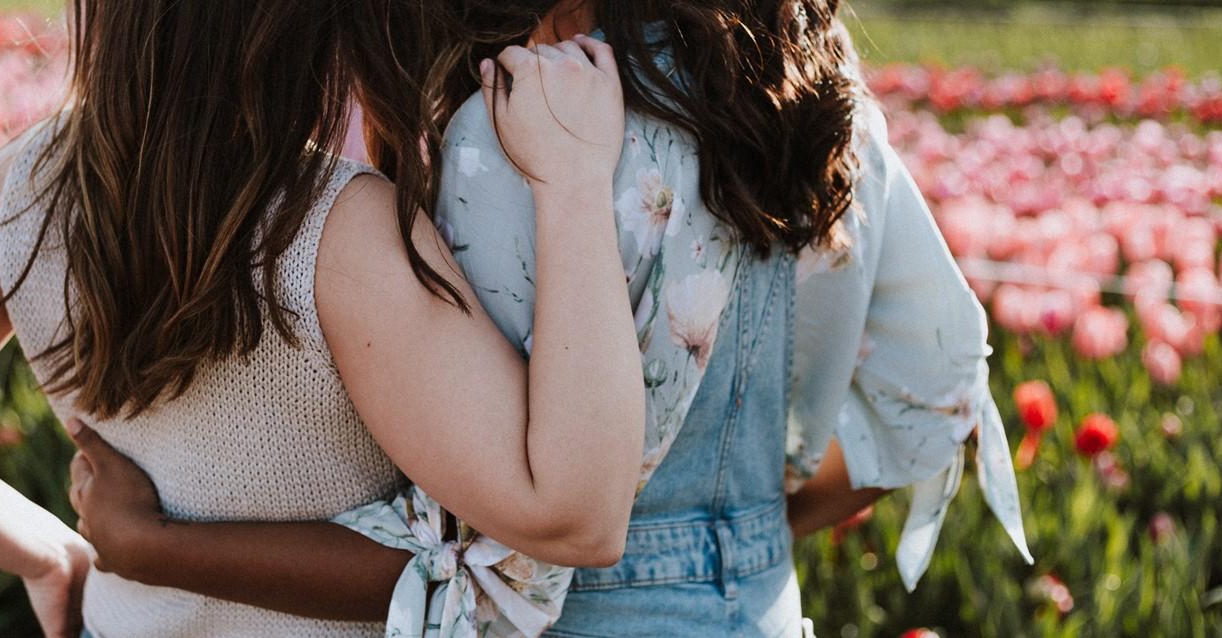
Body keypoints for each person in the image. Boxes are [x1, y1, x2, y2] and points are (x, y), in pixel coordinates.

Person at [69, 1, 1033, 636]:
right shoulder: (824, 116)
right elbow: (934, 391)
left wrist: (156, 546)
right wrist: (726, 538)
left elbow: (473, 561)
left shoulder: (512, 137)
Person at [0, 1, 649, 636]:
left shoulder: (31, 182)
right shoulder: (337, 226)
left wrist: (52, 556)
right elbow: (575, 516)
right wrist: (574, 183)